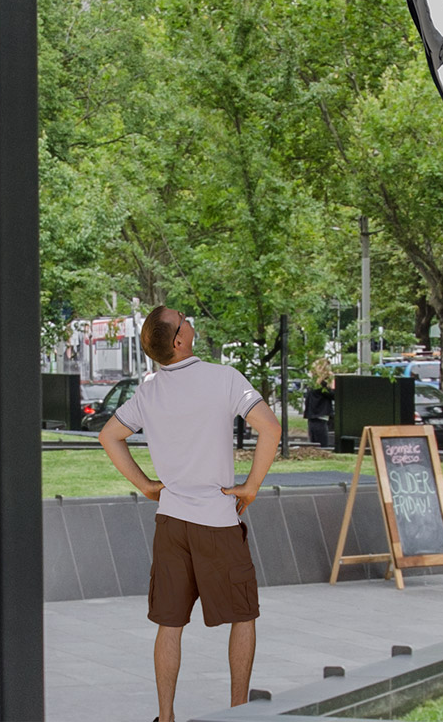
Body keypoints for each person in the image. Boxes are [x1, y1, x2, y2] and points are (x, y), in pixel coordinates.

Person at [98, 305, 279, 722]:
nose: (190, 319)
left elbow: (110, 436)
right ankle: (239, 712)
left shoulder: (147, 391)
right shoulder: (225, 379)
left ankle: (165, 717)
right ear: (179, 340)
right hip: (217, 522)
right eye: (183, 319)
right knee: (243, 617)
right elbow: (270, 428)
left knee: (169, 623)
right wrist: (251, 486)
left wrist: (146, 485)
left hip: (171, 523)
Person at [302, 358, 335, 450]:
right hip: (320, 415)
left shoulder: (313, 383)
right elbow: (333, 395)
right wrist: (332, 385)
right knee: (322, 444)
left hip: (312, 415)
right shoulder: (322, 384)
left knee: (314, 441)